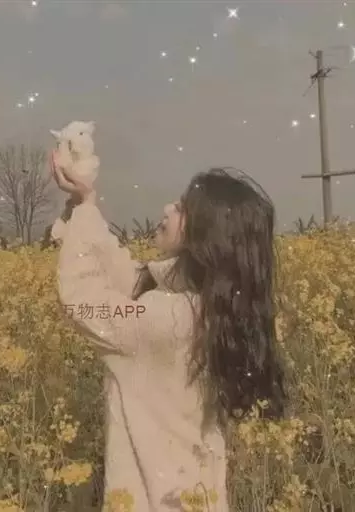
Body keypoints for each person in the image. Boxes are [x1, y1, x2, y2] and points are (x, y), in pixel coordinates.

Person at [50, 150, 287, 511]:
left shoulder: (168, 321)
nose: (166, 208)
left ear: (207, 235)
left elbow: (82, 301)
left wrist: (84, 208)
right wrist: (85, 204)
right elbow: (130, 281)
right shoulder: (205, 308)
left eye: (181, 208)